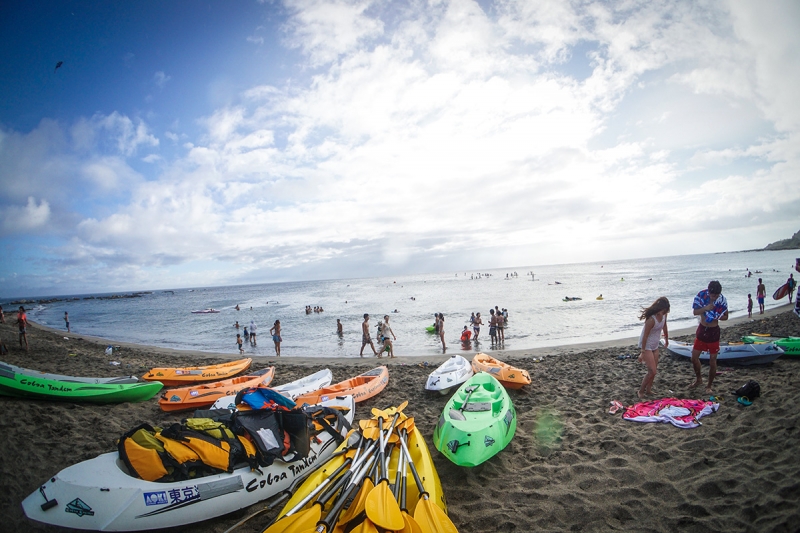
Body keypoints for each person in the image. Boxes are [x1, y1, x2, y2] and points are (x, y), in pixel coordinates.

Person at [689, 281, 728, 393]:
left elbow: (726, 316)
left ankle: (709, 386)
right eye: (712, 295)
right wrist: (706, 308)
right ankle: (699, 379)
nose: (714, 297)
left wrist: (717, 315)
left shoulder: (722, 300)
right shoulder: (701, 296)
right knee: (694, 358)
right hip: (702, 329)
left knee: (712, 360)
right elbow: (695, 312)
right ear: (709, 291)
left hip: (713, 331)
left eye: (716, 295)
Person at [636, 297, 670, 399]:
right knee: (652, 371)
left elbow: (664, 326)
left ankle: (649, 389)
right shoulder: (651, 319)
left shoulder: (664, 316)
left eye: (666, 310)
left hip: (655, 344)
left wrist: (667, 339)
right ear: (660, 308)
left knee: (655, 369)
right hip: (646, 345)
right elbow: (645, 336)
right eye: (663, 310)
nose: (664, 312)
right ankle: (641, 391)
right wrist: (642, 352)